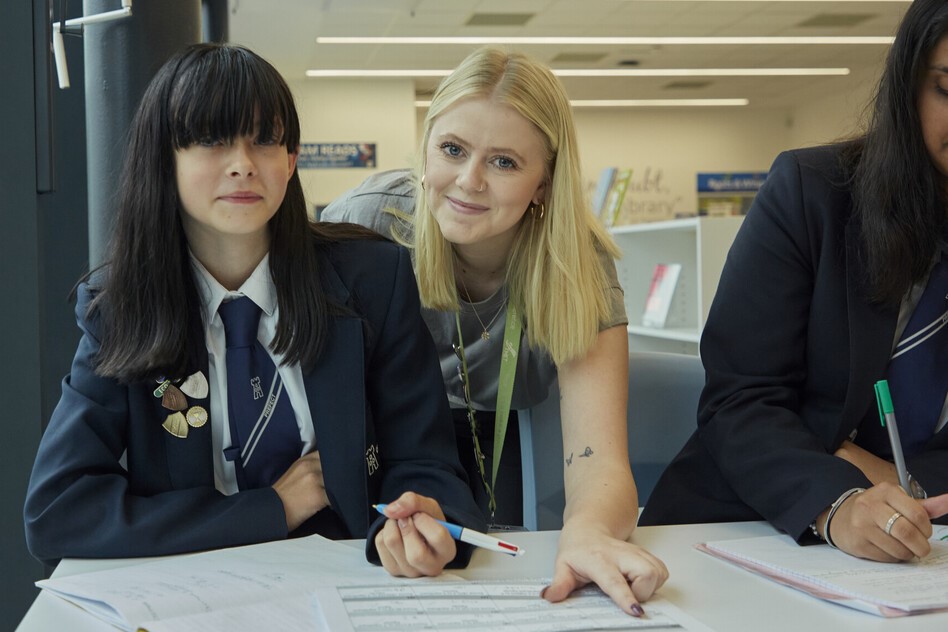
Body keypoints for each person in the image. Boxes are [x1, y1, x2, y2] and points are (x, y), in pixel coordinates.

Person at [23, 42, 484, 579]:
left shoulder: (372, 280)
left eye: (264, 140)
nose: (243, 165)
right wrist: (272, 509)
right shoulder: (123, 309)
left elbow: (426, 461)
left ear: (290, 160)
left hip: (354, 580)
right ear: (164, 161)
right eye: (212, 140)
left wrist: (420, 519)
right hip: (200, 589)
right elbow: (58, 512)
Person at [321, 47, 667, 614]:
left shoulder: (575, 263)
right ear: (426, 147)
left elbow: (599, 459)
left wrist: (589, 532)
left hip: (501, 435)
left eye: (504, 162)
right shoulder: (369, 221)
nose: (469, 181)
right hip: (387, 440)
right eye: (452, 149)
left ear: (543, 183)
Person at [640, 0, 948, 563]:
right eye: (947, 89)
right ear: (908, 88)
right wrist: (840, 501)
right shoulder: (812, 194)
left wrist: (905, 484)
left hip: (925, 544)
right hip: (752, 525)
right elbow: (740, 399)